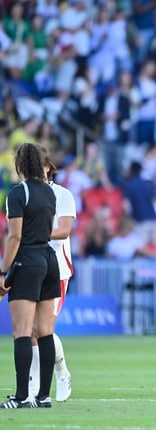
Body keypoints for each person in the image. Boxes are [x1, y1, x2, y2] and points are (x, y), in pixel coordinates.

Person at [0, 142, 60, 409]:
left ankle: (22, 396)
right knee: (46, 332)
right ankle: (43, 396)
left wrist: (3, 272)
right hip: (49, 259)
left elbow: (15, 236)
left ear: (19, 165)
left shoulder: (17, 193)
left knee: (22, 332)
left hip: (28, 260)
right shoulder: (50, 193)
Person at [27, 150, 75, 402]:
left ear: (47, 167)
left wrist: (35, 233)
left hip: (56, 269)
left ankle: (61, 371)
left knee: (42, 329)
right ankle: (33, 388)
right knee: (30, 330)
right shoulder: (23, 193)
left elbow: (64, 230)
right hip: (30, 267)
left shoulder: (63, 194)